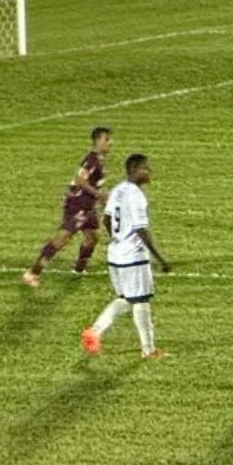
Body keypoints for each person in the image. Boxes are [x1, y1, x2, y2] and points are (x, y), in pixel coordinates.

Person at [81, 154, 172, 359]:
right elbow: (141, 230)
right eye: (145, 168)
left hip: (115, 255)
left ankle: (94, 331)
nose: (149, 172)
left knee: (126, 299)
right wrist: (160, 258)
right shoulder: (137, 196)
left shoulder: (118, 189)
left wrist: (118, 238)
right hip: (133, 257)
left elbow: (106, 218)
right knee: (140, 301)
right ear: (134, 170)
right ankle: (149, 350)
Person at [23, 127, 113, 288]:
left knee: (92, 238)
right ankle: (33, 273)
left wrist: (98, 198)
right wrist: (99, 195)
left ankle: (79, 270)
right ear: (98, 141)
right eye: (107, 139)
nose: (110, 143)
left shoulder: (99, 159)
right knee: (62, 238)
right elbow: (79, 180)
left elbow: (91, 182)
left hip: (88, 205)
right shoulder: (91, 160)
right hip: (78, 205)